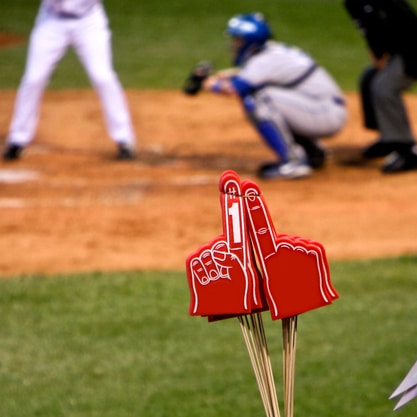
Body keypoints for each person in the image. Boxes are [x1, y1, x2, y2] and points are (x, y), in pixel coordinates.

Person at [201, 12, 347, 180]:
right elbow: (247, 77)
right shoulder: (272, 52)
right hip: (322, 109)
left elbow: (236, 88)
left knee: (258, 99)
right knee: (266, 96)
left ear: (250, 41)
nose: (234, 45)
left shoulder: (265, 60)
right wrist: (223, 77)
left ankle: (292, 162)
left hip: (324, 115)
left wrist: (210, 84)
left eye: (238, 40)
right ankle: (312, 152)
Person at [2, 0, 136, 161]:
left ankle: (124, 139)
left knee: (103, 77)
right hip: (51, 21)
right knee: (33, 78)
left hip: (89, 21)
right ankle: (17, 139)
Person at [344, 0, 417, 173]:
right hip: (400, 49)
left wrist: (379, 54)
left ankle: (406, 149)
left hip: (412, 50)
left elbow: (381, 26)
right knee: (369, 79)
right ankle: (389, 138)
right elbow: (373, 29)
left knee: (384, 88)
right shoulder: (354, 3)